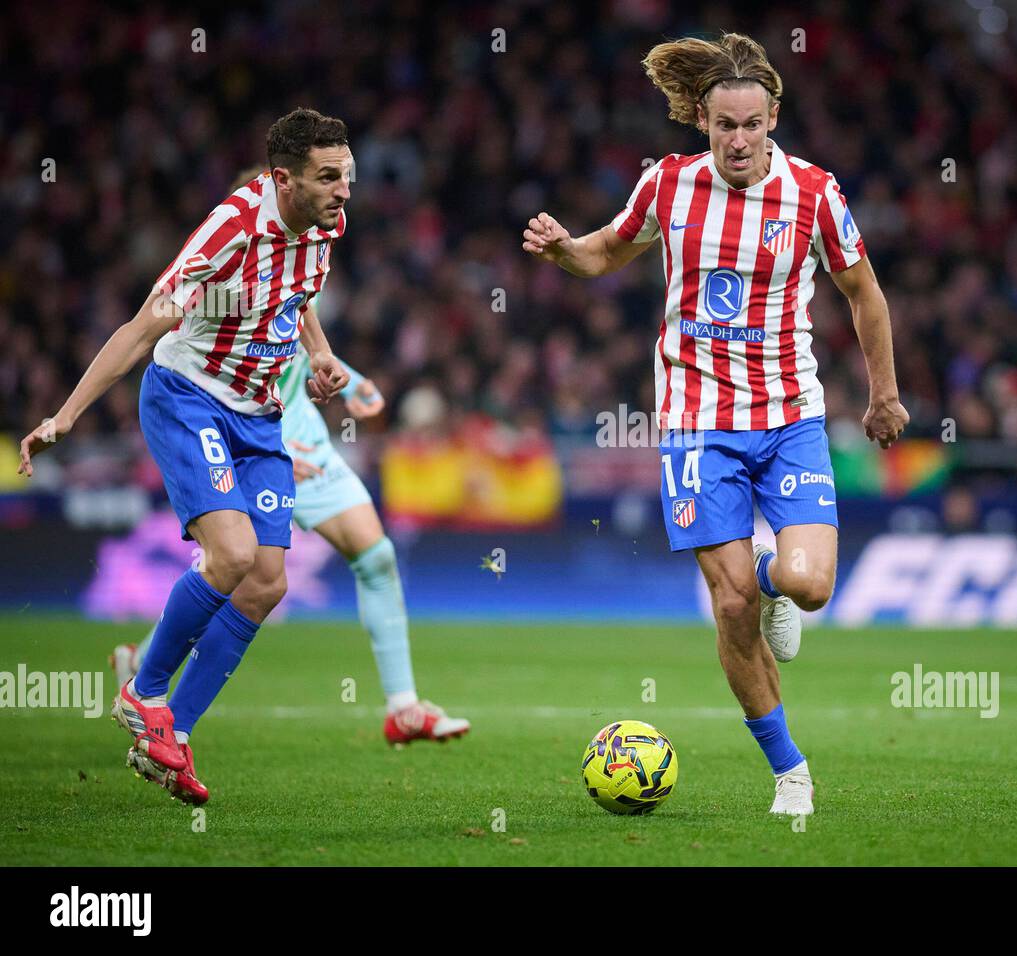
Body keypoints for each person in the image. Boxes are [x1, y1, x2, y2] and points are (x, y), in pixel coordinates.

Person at [522, 34, 908, 815]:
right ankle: (790, 772)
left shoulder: (813, 194)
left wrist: (884, 395)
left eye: (752, 125)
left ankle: (774, 587)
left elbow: (864, 293)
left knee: (808, 585)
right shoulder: (667, 185)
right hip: (695, 424)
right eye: (725, 125)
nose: (738, 139)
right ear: (702, 119)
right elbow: (604, 253)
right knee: (729, 605)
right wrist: (563, 251)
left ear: (773, 119)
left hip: (790, 414)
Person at [18, 108, 356, 803]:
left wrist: (318, 355)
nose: (344, 190)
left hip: (260, 413)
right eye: (329, 178)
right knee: (230, 557)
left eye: (346, 176)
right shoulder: (228, 231)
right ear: (282, 179)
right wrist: (65, 415)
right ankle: (142, 691)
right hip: (188, 395)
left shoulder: (325, 225)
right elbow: (143, 330)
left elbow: (299, 293)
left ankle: (171, 732)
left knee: (266, 583)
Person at [112, 170, 471, 749]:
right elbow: (240, 361)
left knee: (374, 555)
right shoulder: (233, 271)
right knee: (241, 570)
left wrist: (347, 376)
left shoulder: (308, 252)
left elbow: (300, 333)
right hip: (256, 432)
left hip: (305, 440)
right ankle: (151, 680)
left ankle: (403, 707)